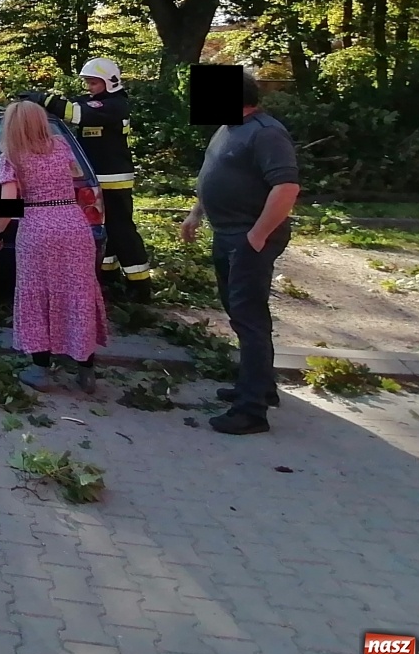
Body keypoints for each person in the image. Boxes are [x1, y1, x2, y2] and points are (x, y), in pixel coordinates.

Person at [182, 69, 300, 435]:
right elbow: (212, 175)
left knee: (248, 318)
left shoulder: (267, 133)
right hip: (227, 233)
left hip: (248, 238)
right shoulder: (227, 128)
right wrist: (196, 213)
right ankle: (260, 387)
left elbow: (286, 188)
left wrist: (257, 236)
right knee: (240, 313)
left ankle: (251, 411)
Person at [0, 98, 107, 392]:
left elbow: (8, 206)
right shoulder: (61, 146)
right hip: (73, 223)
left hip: (38, 226)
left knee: (37, 295)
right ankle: (86, 370)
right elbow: (76, 176)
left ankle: (40, 370)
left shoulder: (12, 156)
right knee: (78, 292)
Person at [26, 58, 155, 302]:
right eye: (88, 82)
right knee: (102, 229)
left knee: (121, 230)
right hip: (96, 177)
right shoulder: (97, 102)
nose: (89, 87)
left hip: (113, 179)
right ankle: (108, 274)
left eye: (94, 83)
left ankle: (140, 285)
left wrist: (43, 99)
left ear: (110, 82)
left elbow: (76, 112)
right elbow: (78, 105)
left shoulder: (115, 105)